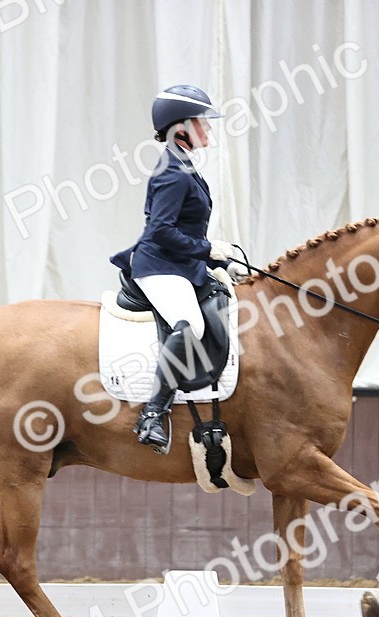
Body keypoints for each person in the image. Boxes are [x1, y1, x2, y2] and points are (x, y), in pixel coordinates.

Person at [110, 85, 237, 451]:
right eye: (203, 124)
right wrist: (209, 248)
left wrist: (213, 258)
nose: (209, 130)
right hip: (159, 266)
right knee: (191, 325)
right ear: (180, 128)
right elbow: (161, 232)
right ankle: (153, 412)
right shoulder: (173, 173)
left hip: (180, 264)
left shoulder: (182, 166)